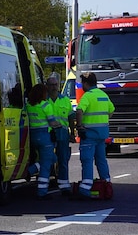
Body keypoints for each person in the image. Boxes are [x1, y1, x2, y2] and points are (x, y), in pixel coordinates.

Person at [75, 71, 115, 199]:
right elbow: (111, 110)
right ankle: (107, 184)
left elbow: (79, 110)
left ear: (86, 83)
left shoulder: (87, 96)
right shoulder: (103, 95)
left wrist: (79, 126)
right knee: (101, 160)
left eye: (82, 83)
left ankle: (85, 189)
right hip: (102, 134)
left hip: (89, 134)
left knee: (87, 160)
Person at [25, 83, 55, 198]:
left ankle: (31, 170)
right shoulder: (46, 105)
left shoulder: (28, 105)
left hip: (32, 136)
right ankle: (42, 192)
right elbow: (52, 122)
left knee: (52, 158)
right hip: (44, 136)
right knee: (46, 164)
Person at [45, 73, 74, 194]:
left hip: (62, 132)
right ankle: (44, 184)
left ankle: (64, 185)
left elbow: (71, 117)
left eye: (55, 84)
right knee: (47, 159)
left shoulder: (65, 100)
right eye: (51, 85)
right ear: (46, 86)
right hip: (47, 133)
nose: (54, 87)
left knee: (63, 159)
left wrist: (72, 132)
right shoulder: (43, 100)